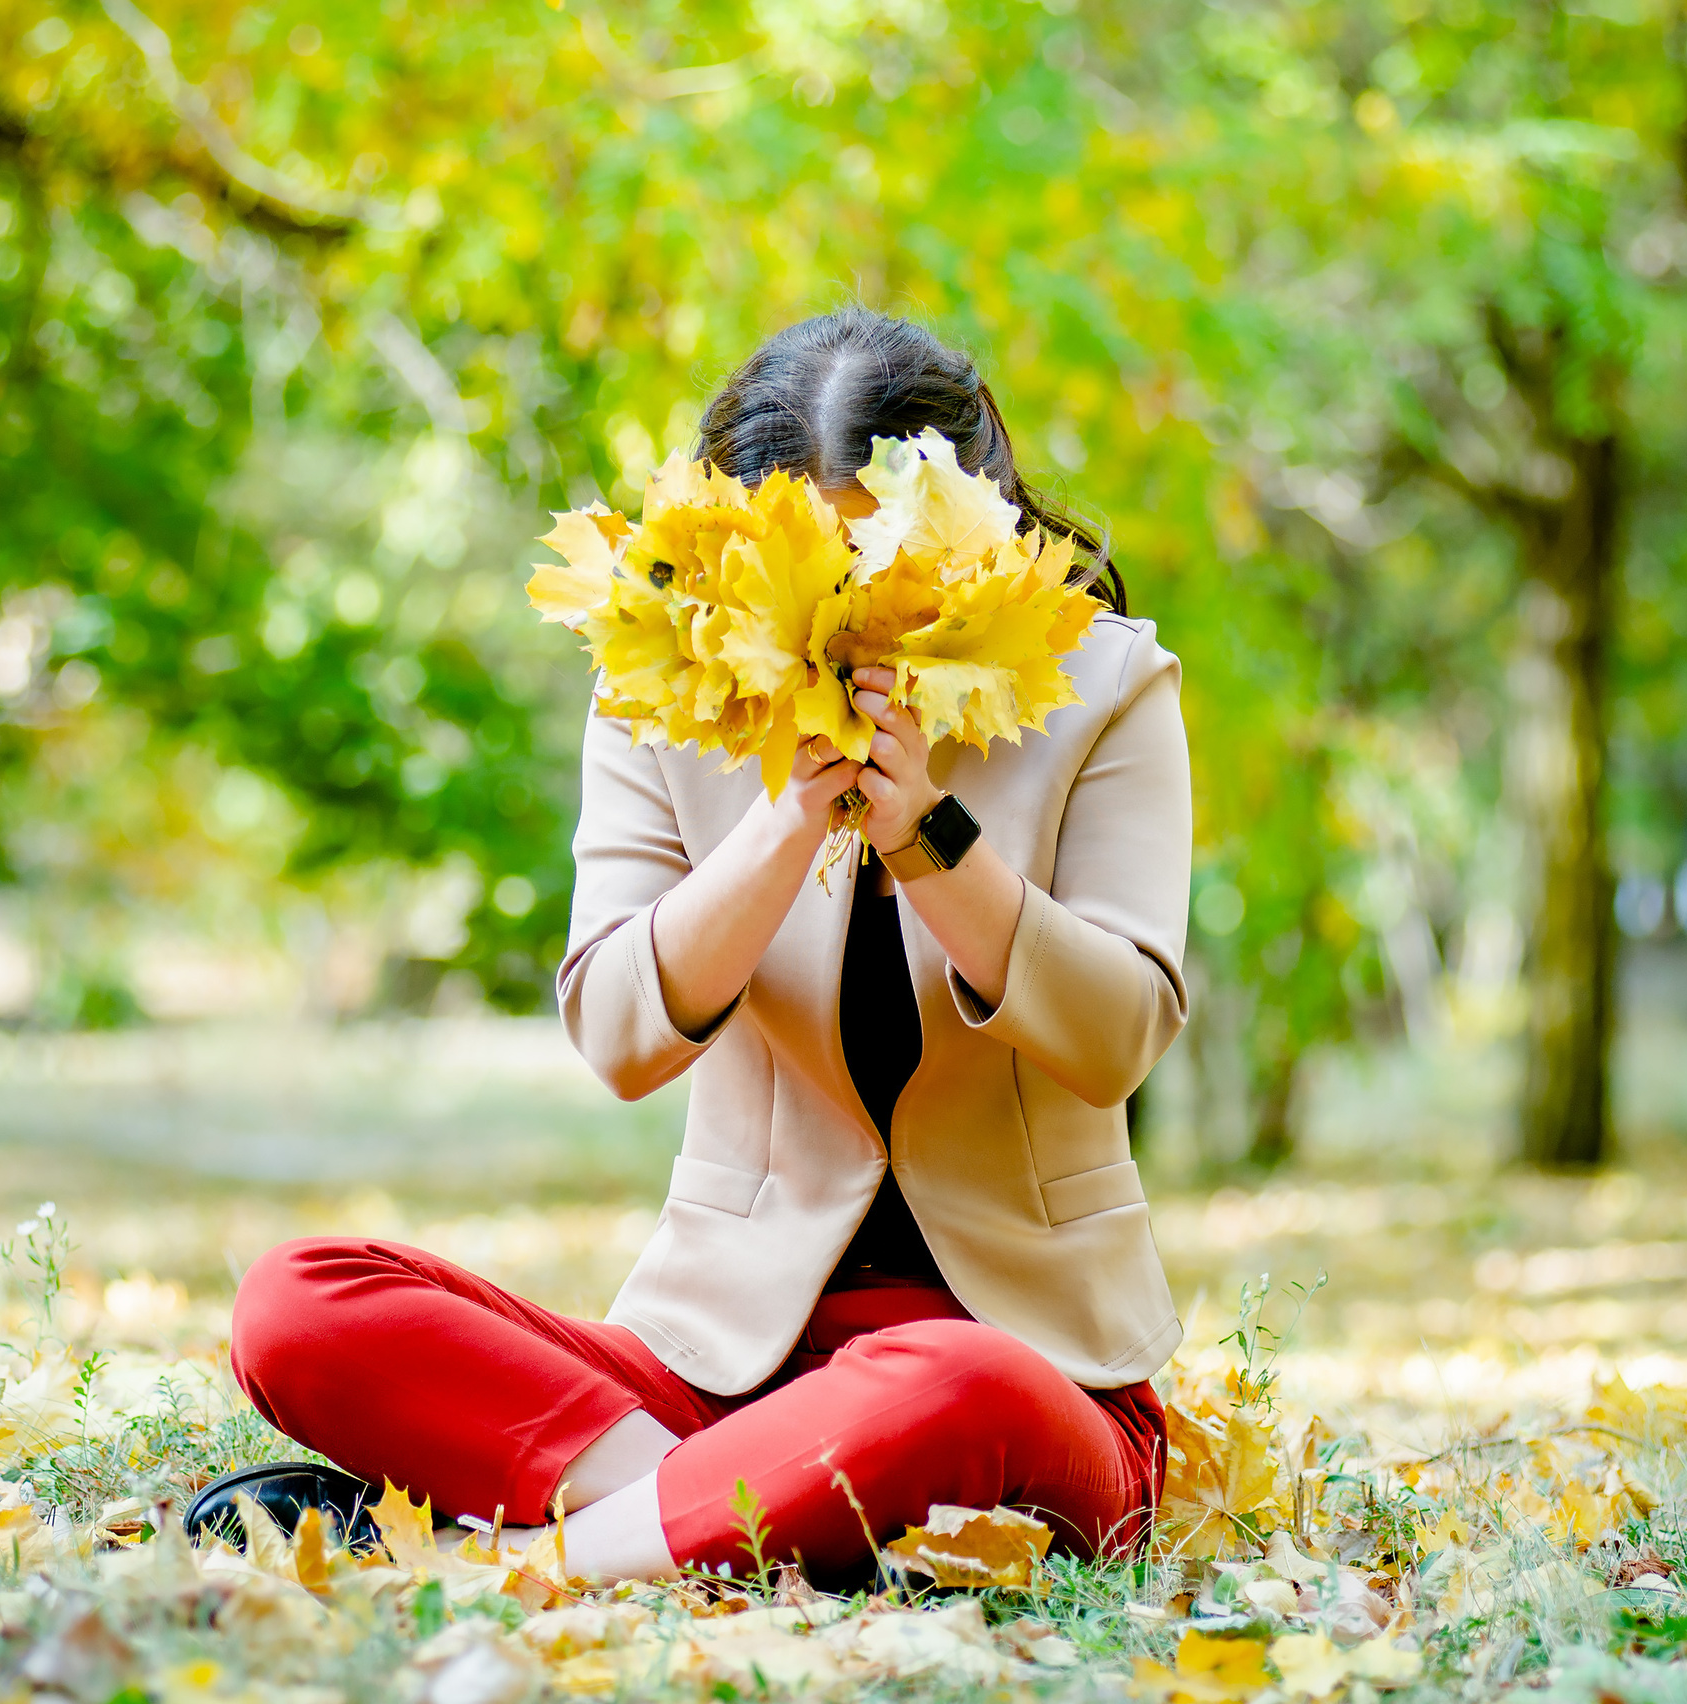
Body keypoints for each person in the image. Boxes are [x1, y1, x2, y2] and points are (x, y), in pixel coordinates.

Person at [201, 308, 1191, 1585]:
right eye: (809, 582)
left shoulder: (1104, 686)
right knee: (301, 1301)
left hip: (1026, 1376)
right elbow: (616, 1036)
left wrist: (929, 837)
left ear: (975, 532)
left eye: (885, 576)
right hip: (717, 1370)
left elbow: (1116, 1041)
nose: (849, 635)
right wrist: (785, 823)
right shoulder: (659, 695)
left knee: (949, 1383)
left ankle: (512, 1560)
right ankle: (765, 1516)